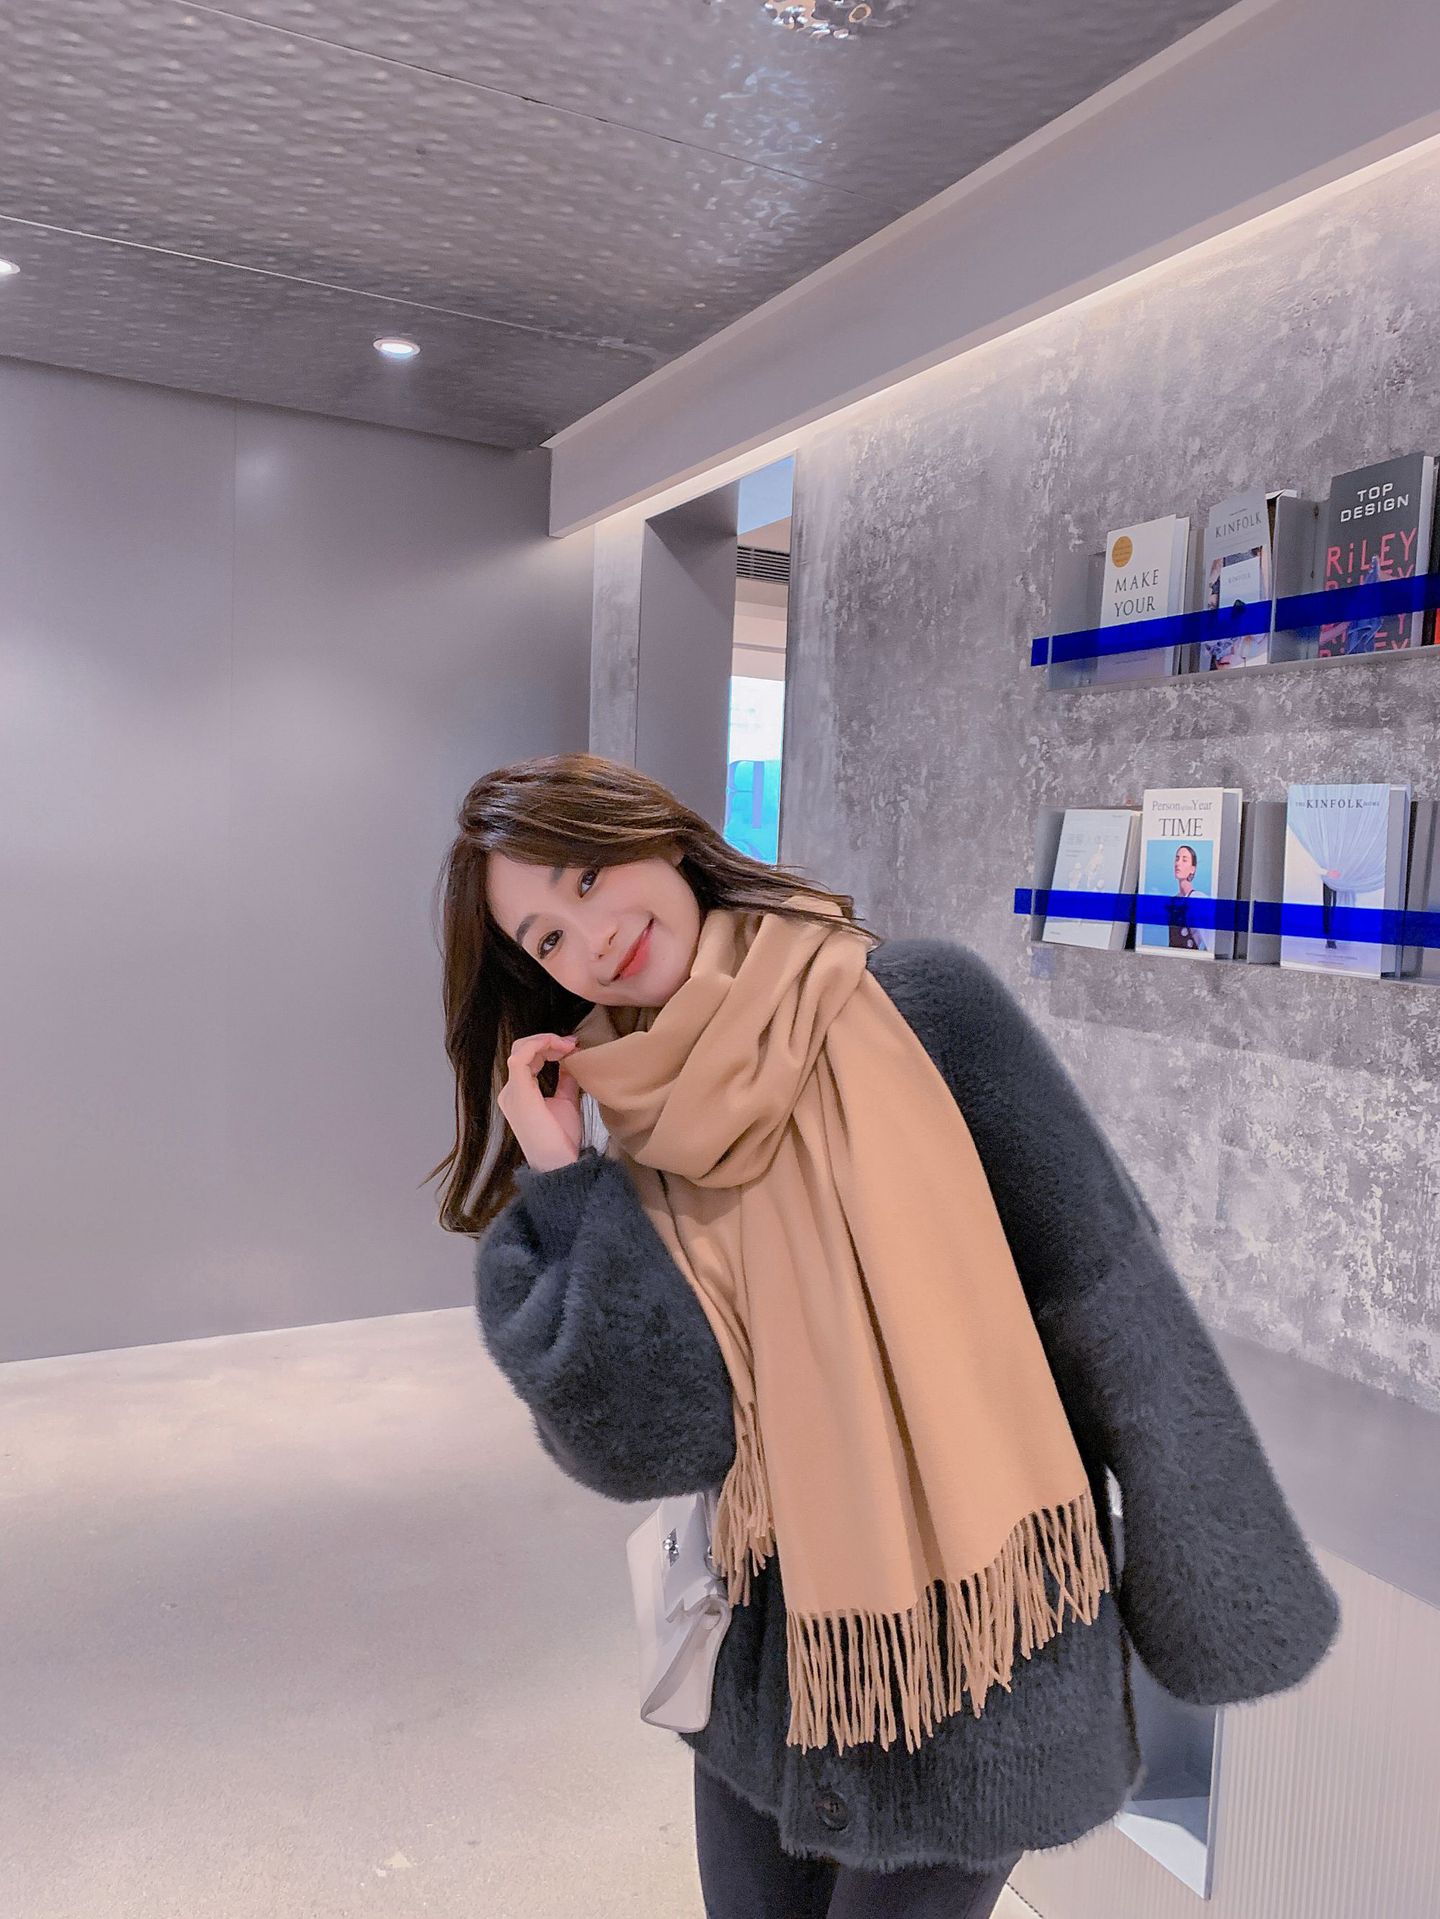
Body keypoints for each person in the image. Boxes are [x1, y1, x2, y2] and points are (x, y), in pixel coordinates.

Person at [431, 751, 1340, 1919]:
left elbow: (1105, 1291)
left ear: (653, 831)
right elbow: (658, 1440)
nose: (593, 937)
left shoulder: (923, 1006)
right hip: (769, 1676)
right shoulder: (640, 1113)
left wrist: (1207, 1587)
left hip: (983, 1668)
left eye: (588, 875)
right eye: (547, 937)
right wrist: (565, 1181)